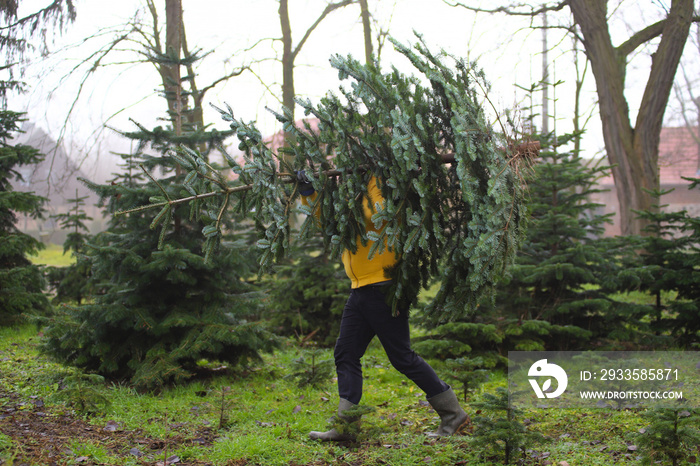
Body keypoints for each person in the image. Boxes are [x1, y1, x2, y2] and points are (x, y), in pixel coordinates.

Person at [296, 170, 468, 441]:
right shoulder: (351, 189)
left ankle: (453, 414)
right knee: (346, 353)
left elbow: (380, 214)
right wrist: (310, 194)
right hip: (360, 288)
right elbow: (328, 223)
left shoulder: (385, 184)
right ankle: (346, 428)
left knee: (402, 357)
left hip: (386, 286)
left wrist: (360, 191)